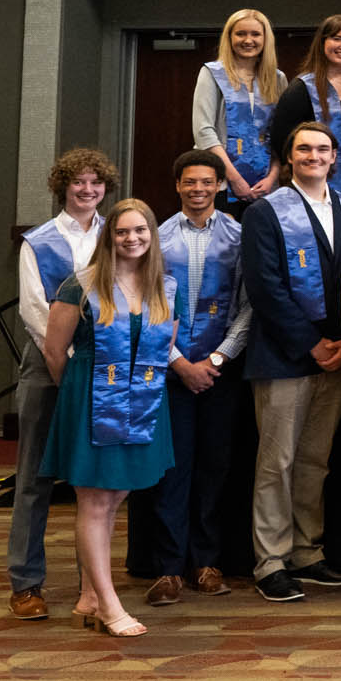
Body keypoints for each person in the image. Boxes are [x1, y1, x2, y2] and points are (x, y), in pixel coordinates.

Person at [241, 122, 341, 603]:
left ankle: (305, 550)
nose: (314, 156)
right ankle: (270, 560)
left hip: (339, 354)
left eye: (323, 148)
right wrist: (311, 342)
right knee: (278, 461)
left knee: (316, 459)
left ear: (335, 157)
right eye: (304, 149)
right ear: (289, 157)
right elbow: (265, 287)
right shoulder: (264, 212)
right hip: (284, 355)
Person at [39, 199, 177, 637]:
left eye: (140, 231)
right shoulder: (80, 285)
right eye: (122, 232)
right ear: (109, 237)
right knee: (94, 503)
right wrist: (81, 397)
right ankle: (110, 605)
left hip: (142, 405)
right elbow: (54, 352)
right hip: (90, 402)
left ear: (152, 236)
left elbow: (164, 345)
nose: (132, 239)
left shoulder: (164, 287)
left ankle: (89, 596)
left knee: (113, 500)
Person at [136, 150, 253, 606]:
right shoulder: (158, 238)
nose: (199, 189)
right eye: (190, 182)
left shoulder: (239, 237)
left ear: (221, 185)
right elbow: (148, 306)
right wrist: (181, 363)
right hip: (171, 371)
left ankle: (207, 562)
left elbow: (247, 306)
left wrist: (219, 359)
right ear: (178, 186)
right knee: (173, 468)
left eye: (207, 182)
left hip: (222, 371)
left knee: (215, 467)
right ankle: (168, 568)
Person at [8, 147, 115, 621]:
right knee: (34, 480)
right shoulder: (39, 241)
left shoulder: (120, 233)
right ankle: (26, 584)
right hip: (48, 366)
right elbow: (34, 310)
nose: (87, 190)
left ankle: (91, 587)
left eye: (96, 183)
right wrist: (67, 364)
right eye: (79, 183)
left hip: (104, 369)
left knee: (91, 483)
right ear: (63, 187)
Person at [193, 8, 284, 211]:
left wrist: (272, 178)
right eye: (240, 34)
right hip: (221, 182)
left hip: (266, 186)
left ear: (265, 38)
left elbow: (281, 135)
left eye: (255, 34)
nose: (248, 40)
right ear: (229, 37)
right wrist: (235, 178)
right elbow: (204, 131)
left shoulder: (277, 79)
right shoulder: (212, 73)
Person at [269, 15, 341, 197]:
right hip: (317, 177)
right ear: (322, 42)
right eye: (337, 39)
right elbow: (281, 138)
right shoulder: (302, 88)